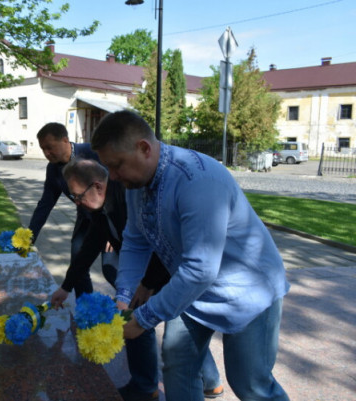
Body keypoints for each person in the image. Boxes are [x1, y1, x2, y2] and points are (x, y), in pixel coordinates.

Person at [90, 110, 290, 401]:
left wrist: (142, 318)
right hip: (193, 292)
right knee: (178, 365)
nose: (115, 178)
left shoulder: (197, 180)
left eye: (117, 166)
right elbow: (135, 240)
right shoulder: (137, 182)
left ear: (144, 148)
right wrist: (124, 296)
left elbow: (200, 269)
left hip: (248, 290)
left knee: (250, 384)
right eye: (109, 169)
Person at [53, 157, 223, 401]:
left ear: (97, 187)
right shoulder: (100, 209)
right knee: (156, 325)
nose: (77, 203)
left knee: (174, 331)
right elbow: (89, 249)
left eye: (77, 196)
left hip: (170, 273)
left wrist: (147, 284)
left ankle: (151, 387)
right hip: (146, 274)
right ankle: (194, 383)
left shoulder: (128, 199)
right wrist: (66, 287)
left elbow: (161, 245)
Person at [28, 122, 101, 297]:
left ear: (65, 140)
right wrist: (28, 237)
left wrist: (114, 226)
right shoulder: (53, 170)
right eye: (43, 149)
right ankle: (86, 314)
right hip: (86, 219)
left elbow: (117, 189)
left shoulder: (92, 153)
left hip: (112, 218)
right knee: (78, 266)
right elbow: (45, 204)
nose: (46, 153)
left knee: (112, 271)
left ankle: (140, 320)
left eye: (50, 147)